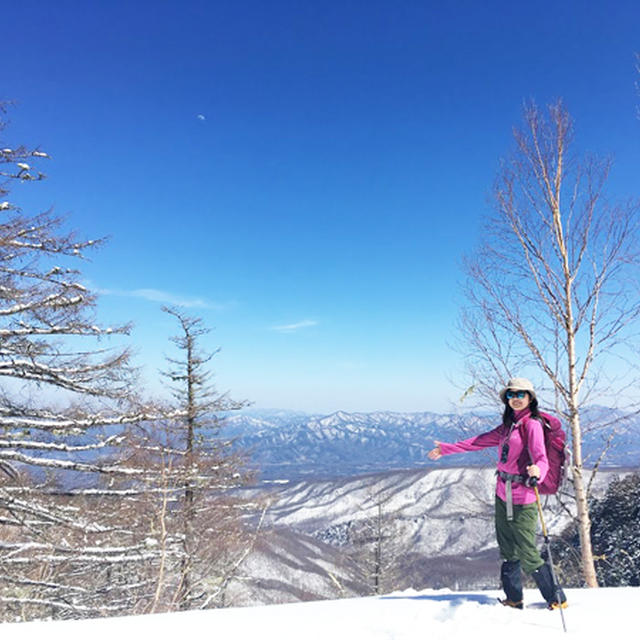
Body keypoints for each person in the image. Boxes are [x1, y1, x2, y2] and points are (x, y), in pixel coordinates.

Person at [427, 377, 567, 610]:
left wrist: (538, 471)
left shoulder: (531, 424)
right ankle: (514, 598)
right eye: (511, 395)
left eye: (521, 394)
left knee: (527, 551)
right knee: (507, 548)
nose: (516, 399)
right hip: (503, 493)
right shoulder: (508, 425)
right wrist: (446, 449)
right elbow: (479, 441)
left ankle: (556, 598)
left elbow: (541, 458)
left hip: (523, 497)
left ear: (530, 398)